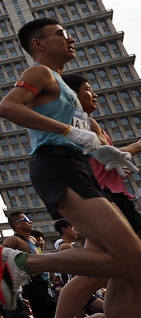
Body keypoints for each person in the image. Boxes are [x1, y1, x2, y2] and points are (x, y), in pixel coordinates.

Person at [0, 18, 141, 314]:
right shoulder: (40, 72)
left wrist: (104, 153)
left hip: (76, 167)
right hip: (57, 166)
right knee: (133, 259)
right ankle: (18, 261)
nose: (70, 39)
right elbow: (7, 107)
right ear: (39, 43)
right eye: (61, 34)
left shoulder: (65, 88)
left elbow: (81, 137)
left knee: (128, 266)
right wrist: (68, 131)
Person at [54, 72, 141, 318]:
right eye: (88, 89)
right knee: (95, 274)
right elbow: (108, 155)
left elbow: (105, 159)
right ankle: (25, 262)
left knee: (126, 267)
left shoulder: (87, 123)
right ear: (73, 95)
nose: (95, 94)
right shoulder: (83, 122)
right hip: (107, 199)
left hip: (114, 197)